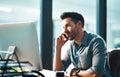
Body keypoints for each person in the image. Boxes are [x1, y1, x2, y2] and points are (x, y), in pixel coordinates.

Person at [53, 12, 111, 77]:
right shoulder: (71, 45)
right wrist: (58, 47)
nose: (64, 31)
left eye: (68, 26)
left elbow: (95, 74)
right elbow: (58, 71)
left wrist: (76, 71)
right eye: (63, 27)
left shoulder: (96, 42)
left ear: (79, 24)